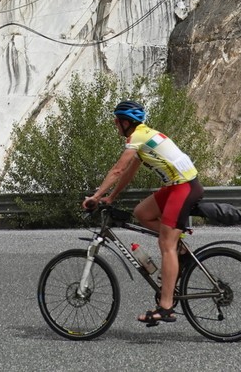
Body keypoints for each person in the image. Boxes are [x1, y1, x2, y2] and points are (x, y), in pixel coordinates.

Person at [82, 99, 203, 326]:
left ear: (126, 122)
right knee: (141, 212)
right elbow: (128, 172)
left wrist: (96, 197)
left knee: (165, 244)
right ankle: (180, 248)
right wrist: (111, 197)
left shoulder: (137, 137)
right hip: (176, 186)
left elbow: (117, 169)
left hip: (184, 187)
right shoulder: (143, 136)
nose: (115, 126)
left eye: (117, 122)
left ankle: (165, 307)